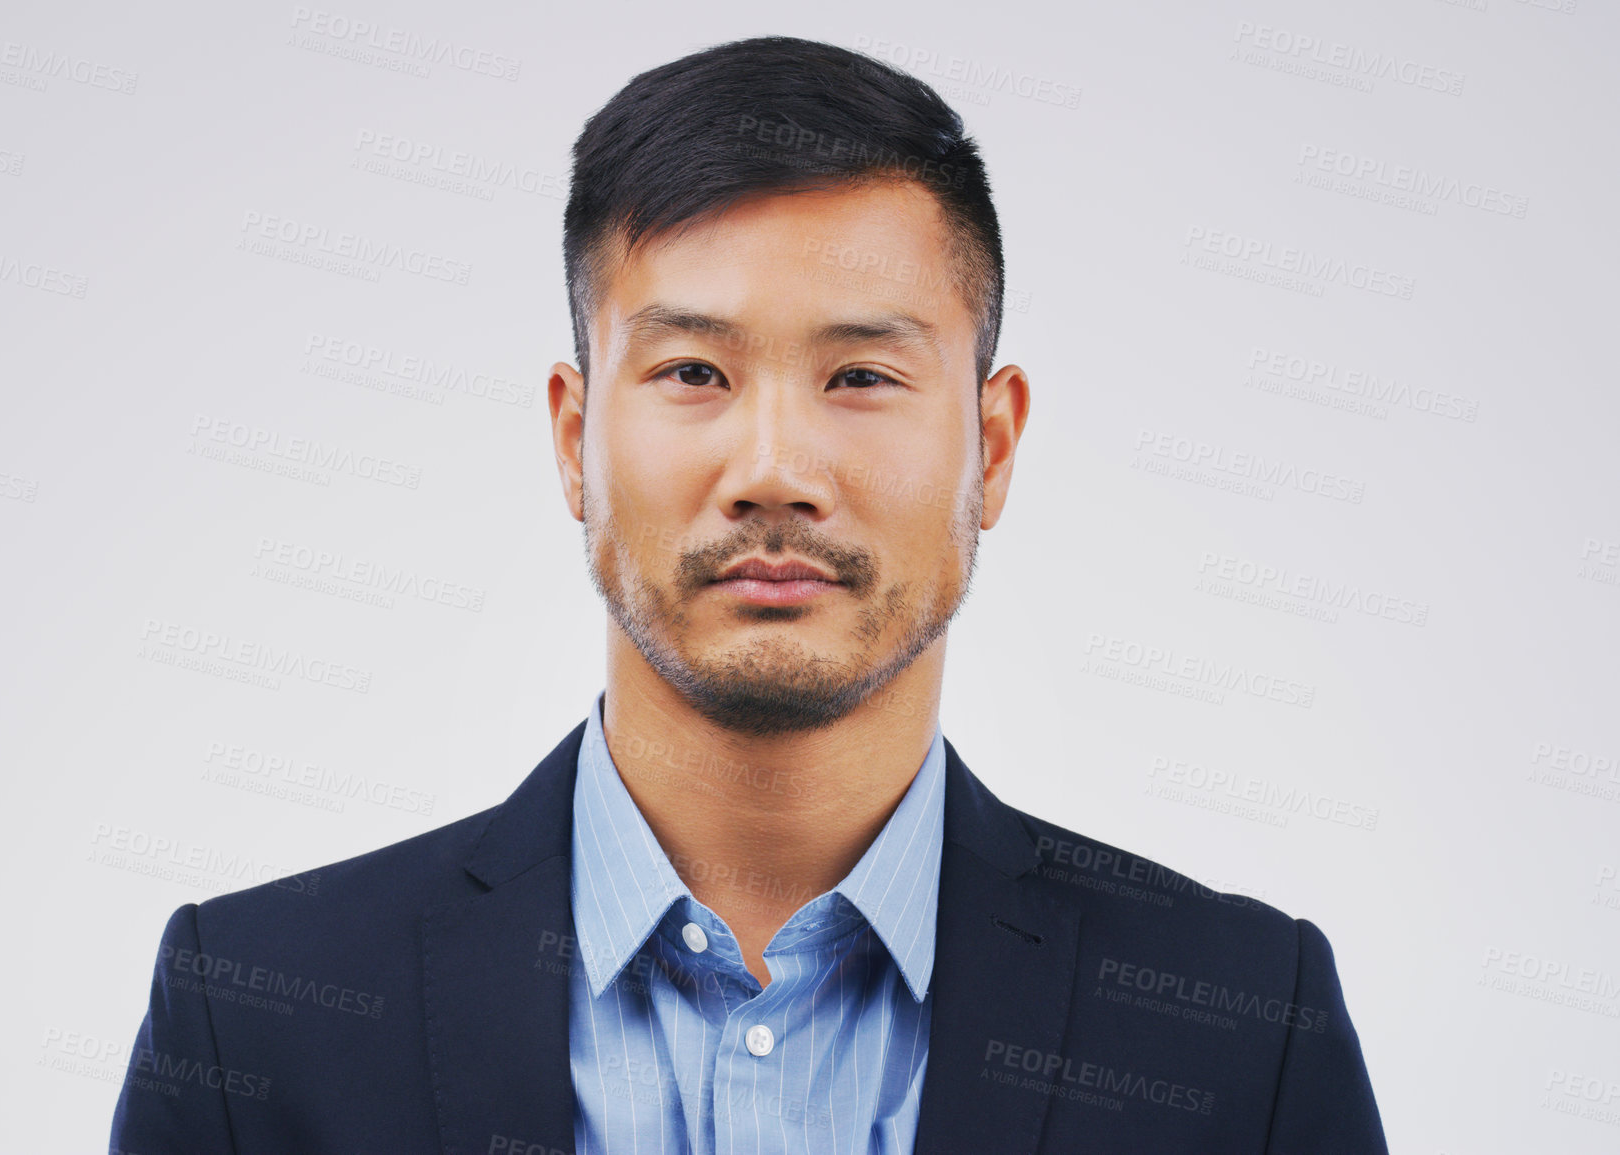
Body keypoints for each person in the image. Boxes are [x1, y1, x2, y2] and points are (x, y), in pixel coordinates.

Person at [111, 35, 1387, 1154]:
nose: (773, 472)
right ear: (573, 440)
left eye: (862, 377)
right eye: (692, 372)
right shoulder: (261, 1012)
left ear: (991, 450)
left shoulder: (1239, 1031)